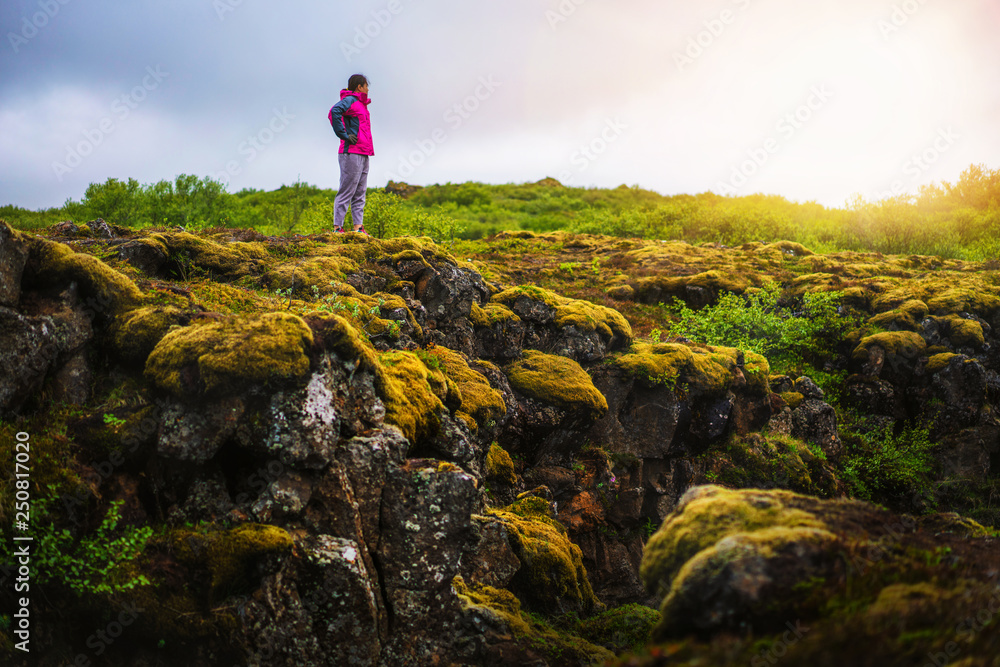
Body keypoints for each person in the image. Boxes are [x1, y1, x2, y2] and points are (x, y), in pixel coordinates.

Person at [328, 74, 374, 233]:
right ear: (359, 87)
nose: (368, 89)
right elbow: (334, 112)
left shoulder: (362, 105)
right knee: (347, 189)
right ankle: (337, 228)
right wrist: (344, 135)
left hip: (363, 151)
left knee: (360, 191)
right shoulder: (351, 101)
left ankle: (358, 228)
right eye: (366, 85)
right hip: (351, 152)